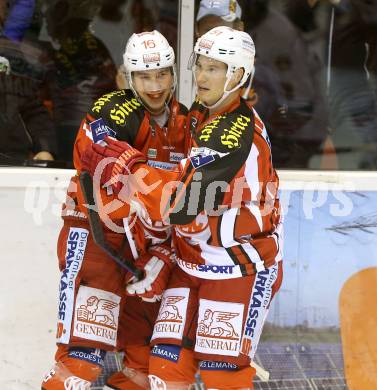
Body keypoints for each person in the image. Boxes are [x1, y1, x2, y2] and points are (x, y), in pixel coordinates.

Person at [82, 26, 284, 389]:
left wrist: (130, 166)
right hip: (193, 264)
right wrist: (165, 252)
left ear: (237, 75)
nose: (202, 76)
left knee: (223, 375)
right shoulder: (199, 117)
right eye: (200, 66)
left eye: (214, 69)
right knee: (164, 368)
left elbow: (179, 206)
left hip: (240, 265)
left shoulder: (231, 133)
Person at [41, 30, 189, 389]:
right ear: (127, 77)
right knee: (82, 358)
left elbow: (195, 196)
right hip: (98, 239)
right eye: (143, 76)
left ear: (174, 73)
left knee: (143, 361)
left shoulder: (187, 121)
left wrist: (166, 252)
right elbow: (92, 147)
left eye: (161, 74)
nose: (154, 86)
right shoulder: (115, 107)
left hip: (149, 248)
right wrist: (143, 175)